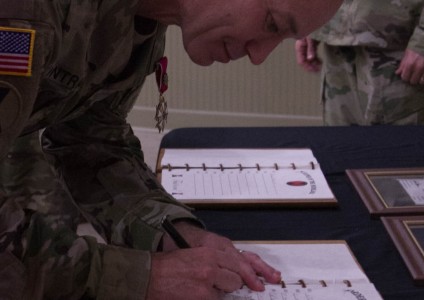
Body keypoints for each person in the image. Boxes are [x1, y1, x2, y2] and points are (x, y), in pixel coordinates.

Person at [0, 0, 343, 299]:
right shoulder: (24, 12)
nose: (259, 55)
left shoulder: (145, 20)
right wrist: (133, 277)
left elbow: (91, 144)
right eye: (271, 24)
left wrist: (171, 232)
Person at [295, 0, 424, 126]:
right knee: (341, 153)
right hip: (335, 39)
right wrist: (308, 18)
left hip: (404, 47)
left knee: (409, 157)